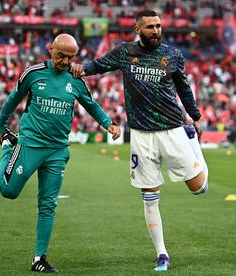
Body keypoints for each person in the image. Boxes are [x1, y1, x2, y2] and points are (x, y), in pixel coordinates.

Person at [71, 10, 208, 271]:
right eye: (150, 27)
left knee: (199, 188)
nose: (156, 31)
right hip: (141, 134)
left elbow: (184, 88)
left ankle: (194, 143)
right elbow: (96, 66)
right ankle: (162, 254)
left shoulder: (173, 55)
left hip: (173, 130)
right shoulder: (125, 53)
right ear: (137, 29)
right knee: (149, 194)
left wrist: (195, 116)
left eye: (158, 26)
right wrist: (80, 69)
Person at [0, 34, 120, 273]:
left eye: (70, 56)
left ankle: (39, 258)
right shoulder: (33, 73)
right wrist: (2, 128)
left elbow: (91, 105)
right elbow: (13, 100)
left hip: (58, 150)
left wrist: (109, 123)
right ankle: (7, 148)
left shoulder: (75, 80)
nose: (65, 61)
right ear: (50, 49)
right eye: (60, 55)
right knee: (8, 191)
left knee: (48, 205)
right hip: (30, 144)